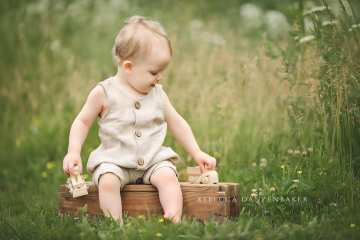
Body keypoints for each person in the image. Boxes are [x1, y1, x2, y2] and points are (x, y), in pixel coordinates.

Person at [62, 15, 216, 225]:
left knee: (168, 177)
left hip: (152, 158)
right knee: (107, 181)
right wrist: (73, 151)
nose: (160, 77)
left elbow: (177, 122)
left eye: (162, 71)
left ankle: (173, 216)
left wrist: (197, 152)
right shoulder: (104, 93)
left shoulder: (158, 94)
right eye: (154, 71)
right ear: (128, 67)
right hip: (114, 159)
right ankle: (115, 224)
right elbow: (82, 122)